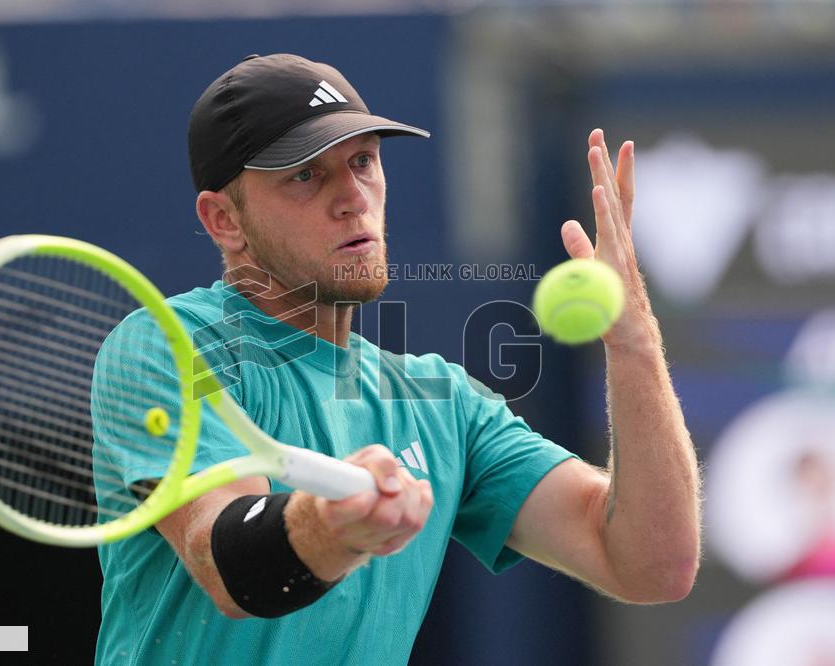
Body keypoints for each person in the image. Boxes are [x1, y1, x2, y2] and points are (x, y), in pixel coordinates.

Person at [93, 53, 701, 665]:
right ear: (224, 220)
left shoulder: (443, 403)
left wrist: (636, 340)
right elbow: (228, 565)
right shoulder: (169, 345)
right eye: (305, 175)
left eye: (362, 161)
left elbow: (650, 565)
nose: (353, 197)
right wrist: (335, 527)